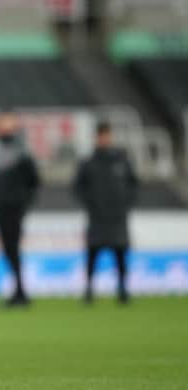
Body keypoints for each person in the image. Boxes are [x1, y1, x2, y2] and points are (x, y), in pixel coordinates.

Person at [73, 122, 138, 304]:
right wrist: (90, 204)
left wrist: (125, 203)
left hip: (117, 216)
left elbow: (134, 184)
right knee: (92, 253)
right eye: (102, 136)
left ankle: (123, 289)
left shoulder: (121, 160)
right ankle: (89, 290)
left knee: (120, 253)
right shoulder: (89, 162)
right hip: (97, 216)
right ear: (97, 138)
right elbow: (78, 187)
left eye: (107, 135)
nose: (105, 139)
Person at [0, 110, 40, 307]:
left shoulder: (21, 151)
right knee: (9, 249)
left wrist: (24, 204)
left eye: (5, 122)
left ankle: (20, 293)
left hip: (14, 207)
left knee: (13, 249)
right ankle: (19, 291)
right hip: (1, 207)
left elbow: (34, 181)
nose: (1, 125)